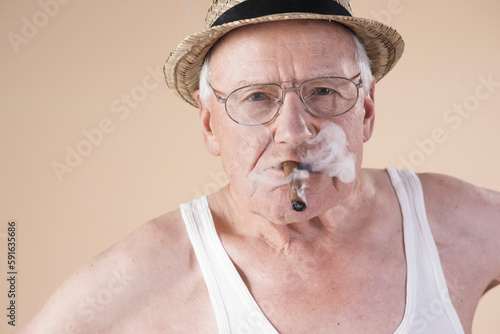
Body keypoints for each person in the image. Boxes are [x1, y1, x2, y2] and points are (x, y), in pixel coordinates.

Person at [17, 0, 499, 333]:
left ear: (367, 110)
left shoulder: (450, 222)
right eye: (256, 98)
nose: (293, 131)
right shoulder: (156, 270)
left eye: (324, 91)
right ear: (209, 127)